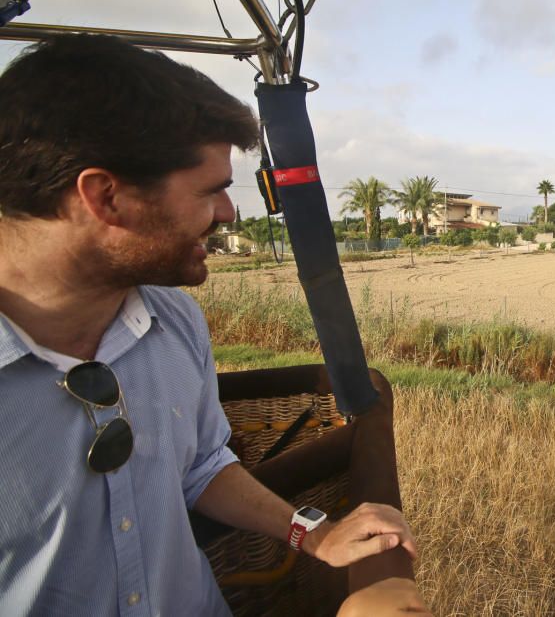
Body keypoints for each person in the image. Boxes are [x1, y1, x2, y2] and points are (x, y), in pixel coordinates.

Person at [0, 34, 430, 615]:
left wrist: (314, 533)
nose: (229, 214)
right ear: (104, 197)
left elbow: (203, 466)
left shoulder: (174, 320)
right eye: (212, 191)